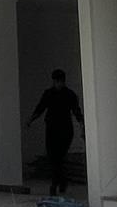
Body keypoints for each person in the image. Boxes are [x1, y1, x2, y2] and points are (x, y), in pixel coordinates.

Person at [26, 69, 84, 198]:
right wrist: (31, 119)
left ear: (63, 81)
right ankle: (59, 182)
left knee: (59, 157)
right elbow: (40, 108)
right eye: (56, 81)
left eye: (60, 81)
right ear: (54, 81)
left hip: (65, 129)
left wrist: (81, 124)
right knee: (53, 157)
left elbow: (76, 111)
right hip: (52, 129)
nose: (58, 84)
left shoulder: (70, 95)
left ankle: (57, 183)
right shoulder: (49, 94)